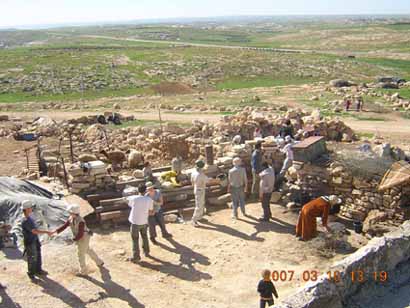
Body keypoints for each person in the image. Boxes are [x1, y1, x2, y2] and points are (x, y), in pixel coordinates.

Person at [51, 204, 103, 276]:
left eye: (70, 212)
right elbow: (65, 226)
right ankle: (99, 262)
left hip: (84, 237)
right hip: (80, 236)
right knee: (87, 249)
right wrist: (56, 231)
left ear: (74, 213)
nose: (69, 213)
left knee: (80, 254)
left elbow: (81, 234)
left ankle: (83, 271)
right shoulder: (71, 218)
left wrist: (73, 240)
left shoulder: (80, 221)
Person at [21, 200, 52, 280]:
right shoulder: (25, 220)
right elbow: (34, 231)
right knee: (32, 257)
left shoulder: (29, 217)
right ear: (27, 209)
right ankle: (31, 273)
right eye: (31, 207)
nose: (32, 209)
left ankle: (38, 270)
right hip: (30, 241)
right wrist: (46, 232)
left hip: (34, 239)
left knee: (38, 254)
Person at [127, 183, 154, 263]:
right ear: (145, 191)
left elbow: (130, 205)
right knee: (145, 236)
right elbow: (151, 211)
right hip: (144, 221)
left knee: (135, 239)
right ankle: (146, 251)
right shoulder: (149, 200)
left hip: (135, 222)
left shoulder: (134, 198)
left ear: (138, 190)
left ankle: (136, 256)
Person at [191, 159, 208, 227]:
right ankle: (194, 220)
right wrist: (218, 180)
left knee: (201, 204)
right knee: (199, 206)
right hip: (200, 190)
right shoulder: (201, 175)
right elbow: (207, 181)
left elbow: (192, 182)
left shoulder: (193, 172)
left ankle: (199, 217)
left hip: (197, 189)